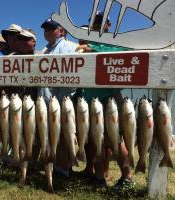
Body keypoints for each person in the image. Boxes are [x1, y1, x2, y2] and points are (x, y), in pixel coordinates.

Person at [75, 11, 134, 190]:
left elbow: (126, 53)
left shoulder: (115, 41)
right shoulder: (87, 43)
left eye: (101, 21)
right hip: (90, 99)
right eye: (94, 21)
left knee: (115, 140)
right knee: (95, 140)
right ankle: (99, 178)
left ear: (109, 25)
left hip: (110, 99)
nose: (97, 24)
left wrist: (92, 49)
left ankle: (127, 178)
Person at [39, 18, 76, 178]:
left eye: (51, 28)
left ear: (61, 31)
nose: (47, 31)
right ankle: (54, 166)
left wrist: (62, 101)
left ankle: (63, 169)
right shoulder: (45, 50)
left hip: (61, 102)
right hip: (46, 102)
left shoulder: (69, 46)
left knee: (62, 137)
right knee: (51, 136)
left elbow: (71, 77)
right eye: (45, 28)